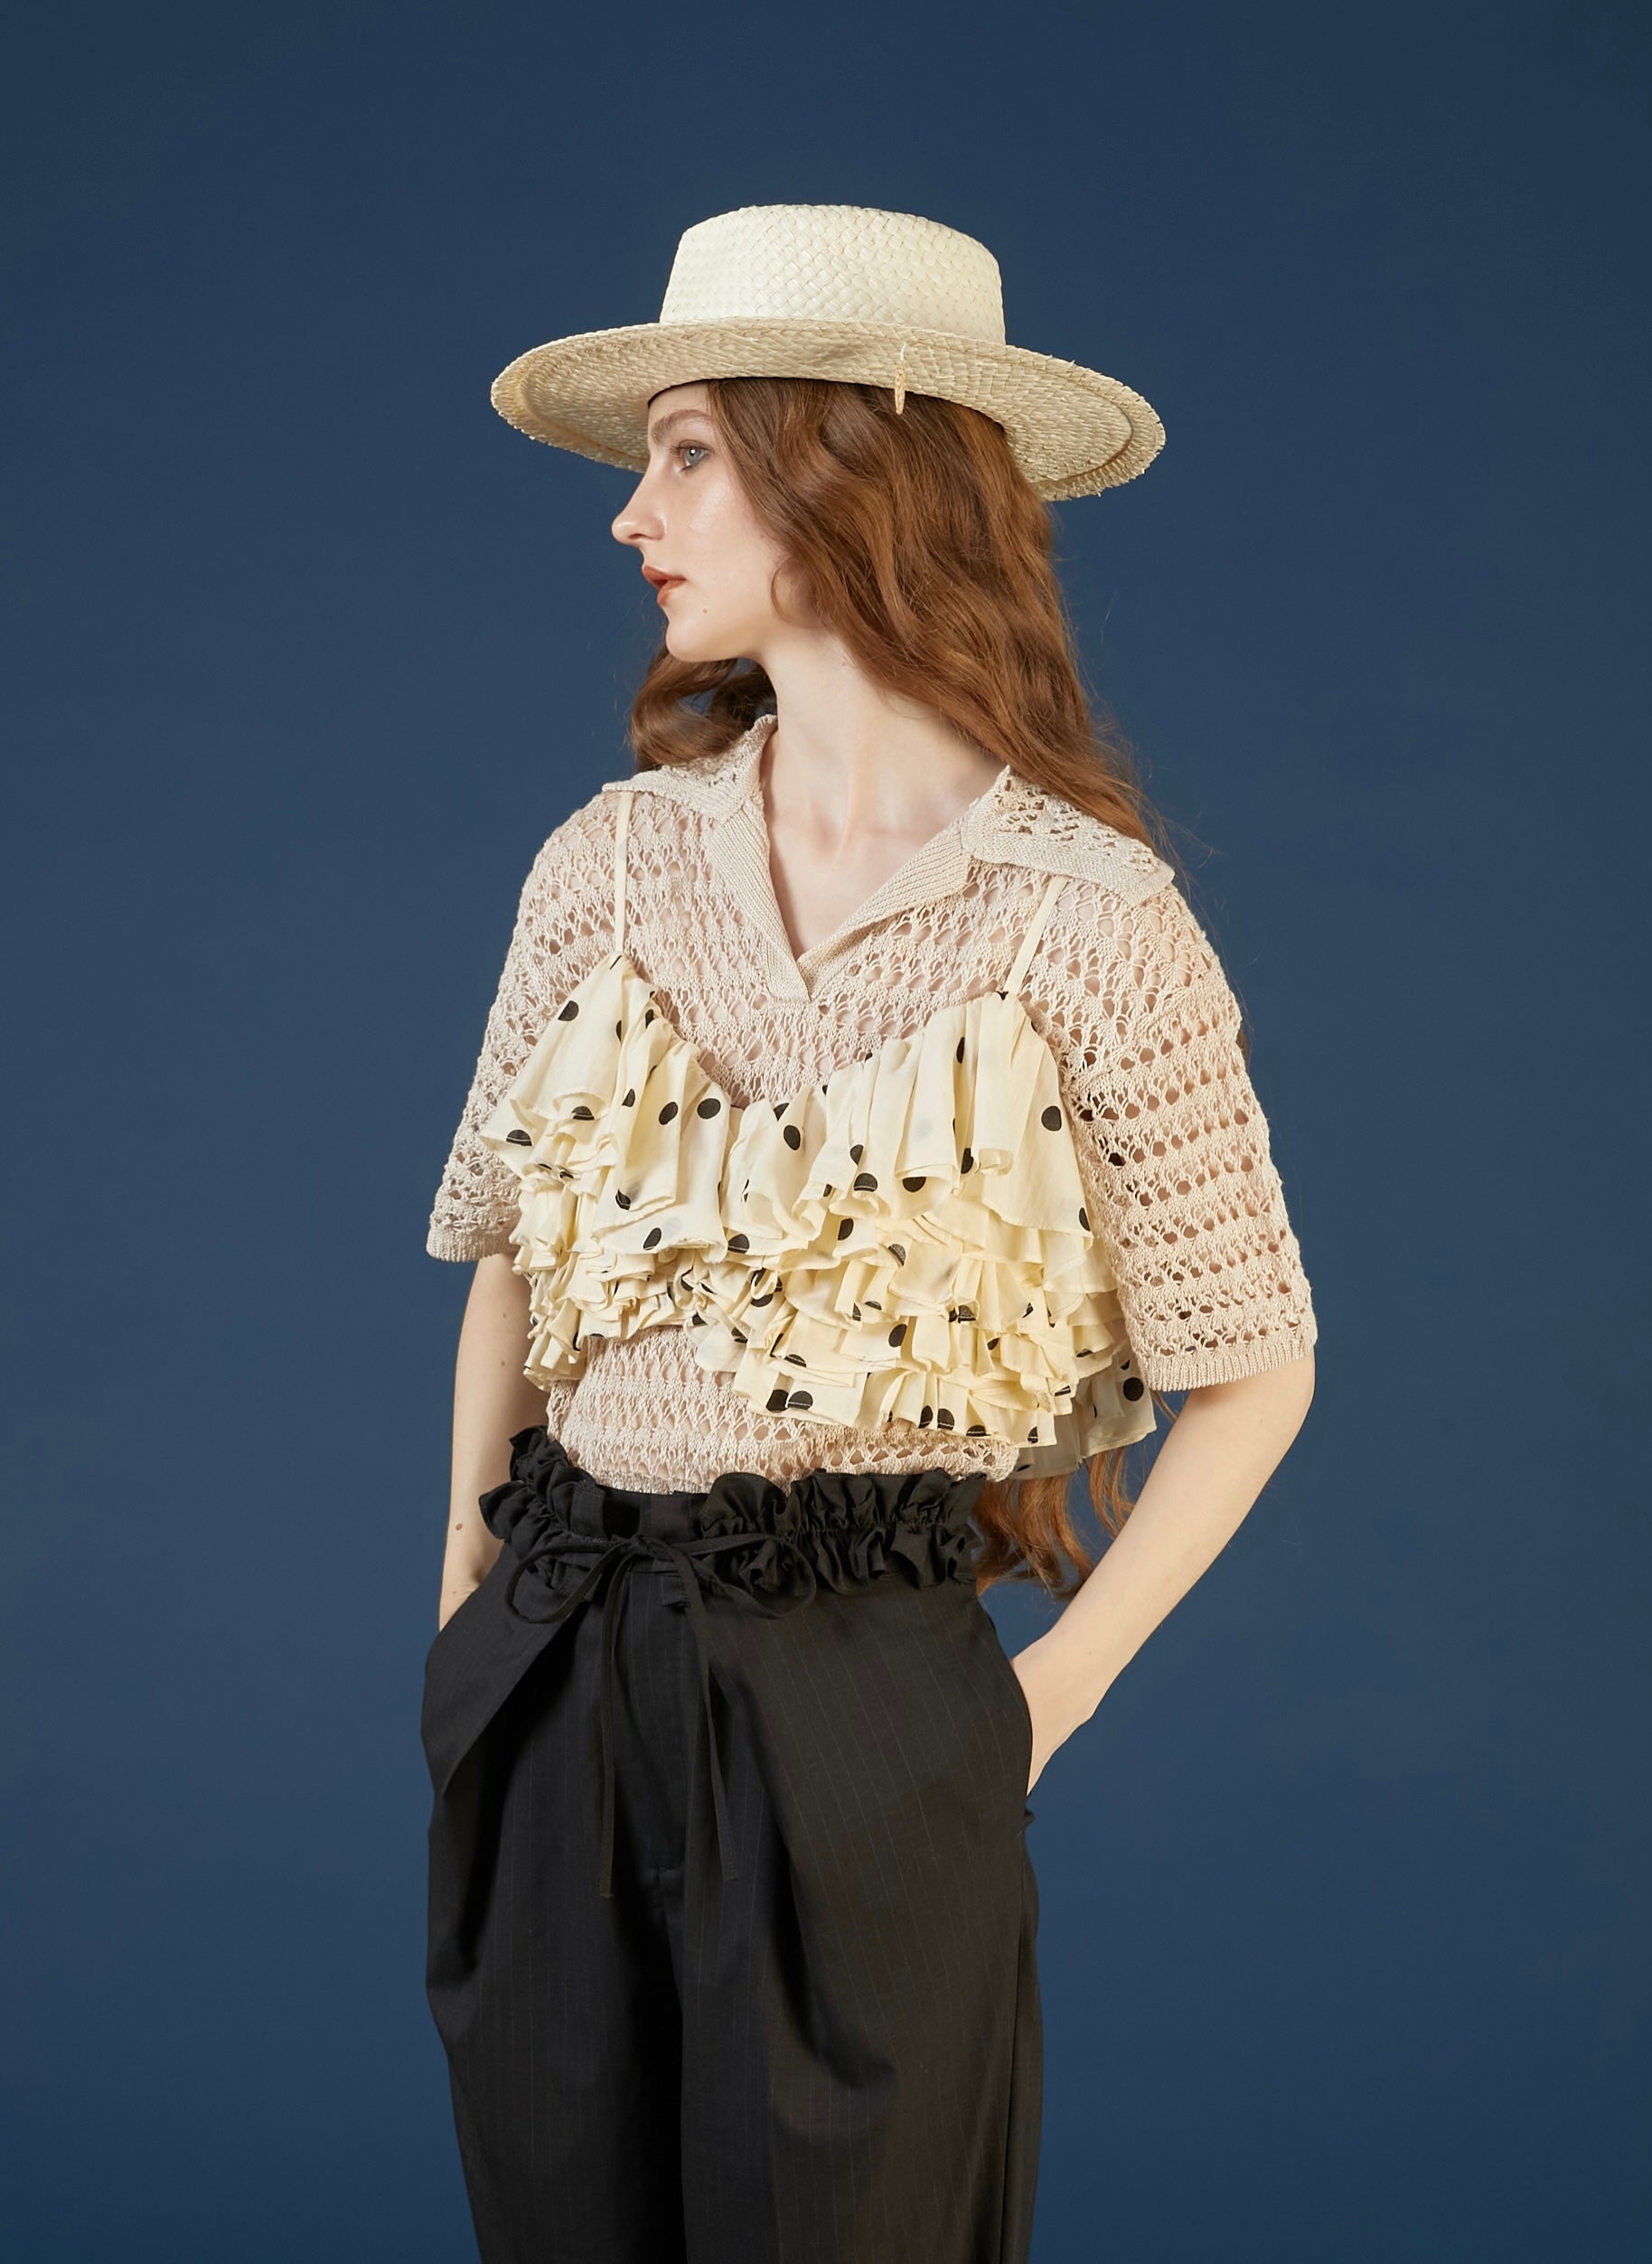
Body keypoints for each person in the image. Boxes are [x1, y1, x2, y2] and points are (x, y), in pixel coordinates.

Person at [419, 203, 1318, 2264]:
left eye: (687, 454)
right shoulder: (604, 863)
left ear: (847, 470)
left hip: (865, 1697)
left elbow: (1257, 1362)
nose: (632, 516)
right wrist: (466, 1610)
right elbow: (509, 1256)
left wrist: (1042, 1697)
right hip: (556, 1665)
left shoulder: (1089, 920)